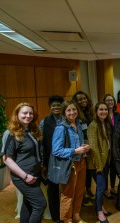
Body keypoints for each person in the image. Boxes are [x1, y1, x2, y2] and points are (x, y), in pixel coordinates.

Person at [2, 102, 47, 223]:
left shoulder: (31, 130)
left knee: (28, 204)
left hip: (34, 174)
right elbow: (6, 159)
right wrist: (25, 176)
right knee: (40, 204)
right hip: (23, 176)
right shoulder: (11, 133)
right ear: (17, 114)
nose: (28, 115)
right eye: (24, 113)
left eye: (31, 113)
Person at [52, 100, 90, 223]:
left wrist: (84, 148)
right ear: (64, 113)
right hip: (69, 165)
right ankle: (67, 219)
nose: (72, 112)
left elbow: (77, 145)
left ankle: (76, 215)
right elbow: (56, 150)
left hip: (81, 162)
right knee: (68, 194)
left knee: (79, 191)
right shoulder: (60, 128)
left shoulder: (78, 124)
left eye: (74, 109)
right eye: (68, 110)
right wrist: (75, 150)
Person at [41, 95, 64, 223]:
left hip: (66, 158)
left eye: (58, 105)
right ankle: (56, 216)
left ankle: (66, 213)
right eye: (54, 105)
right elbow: (42, 143)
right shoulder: (44, 122)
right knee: (53, 188)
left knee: (67, 188)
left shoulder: (66, 119)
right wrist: (44, 163)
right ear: (50, 107)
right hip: (51, 160)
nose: (56, 107)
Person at [87, 102, 112, 223]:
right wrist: (98, 165)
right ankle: (99, 211)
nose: (104, 112)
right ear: (96, 111)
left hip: (105, 160)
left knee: (102, 186)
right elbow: (93, 147)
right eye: (101, 109)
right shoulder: (93, 125)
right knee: (101, 187)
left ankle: (100, 206)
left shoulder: (105, 123)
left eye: (105, 109)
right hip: (96, 163)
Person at [72, 91, 95, 206]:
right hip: (81, 145)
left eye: (84, 98)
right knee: (83, 170)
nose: (83, 101)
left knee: (90, 169)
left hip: (91, 143)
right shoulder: (75, 114)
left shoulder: (90, 111)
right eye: (80, 100)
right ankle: (82, 194)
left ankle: (89, 188)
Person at [103, 93, 120, 198]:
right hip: (106, 145)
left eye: (111, 100)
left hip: (116, 144)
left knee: (114, 167)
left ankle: (113, 187)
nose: (109, 102)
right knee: (106, 168)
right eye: (107, 100)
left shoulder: (118, 114)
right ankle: (105, 190)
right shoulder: (102, 115)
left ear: (114, 103)